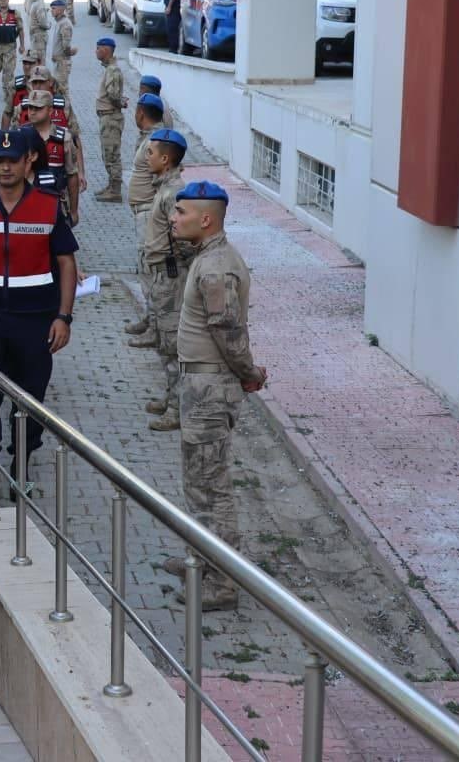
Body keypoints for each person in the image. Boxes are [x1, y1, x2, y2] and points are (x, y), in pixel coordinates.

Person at [0, 130, 78, 509]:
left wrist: (64, 316)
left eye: (12, 159)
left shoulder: (46, 206)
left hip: (35, 320)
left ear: (29, 161)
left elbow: (66, 262)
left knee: (29, 401)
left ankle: (21, 466)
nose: (5, 166)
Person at [165, 180, 266, 612]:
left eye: (181, 212)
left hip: (210, 388)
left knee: (213, 488)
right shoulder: (207, 257)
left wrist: (250, 374)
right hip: (199, 384)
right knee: (197, 483)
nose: (173, 219)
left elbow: (229, 333)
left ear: (205, 219)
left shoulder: (216, 267)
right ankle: (203, 561)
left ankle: (223, 583)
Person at [139, 130, 191, 431]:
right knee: (163, 342)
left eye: (150, 153)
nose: (146, 158)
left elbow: (183, 238)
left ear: (165, 159)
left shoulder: (173, 193)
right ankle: (170, 397)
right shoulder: (163, 187)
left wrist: (178, 270)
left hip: (171, 277)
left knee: (173, 346)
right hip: (161, 275)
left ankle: (178, 408)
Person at [126, 93, 169, 348]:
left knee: (149, 269)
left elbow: (162, 177)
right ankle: (149, 318)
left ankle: (155, 327)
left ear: (140, 113)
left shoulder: (156, 141)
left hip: (149, 213)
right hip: (143, 212)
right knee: (144, 267)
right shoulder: (152, 138)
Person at [22, 88, 81, 227]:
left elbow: (72, 175)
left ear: (49, 110)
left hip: (55, 202)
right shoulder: (20, 135)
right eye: (30, 107)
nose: (32, 111)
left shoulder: (64, 138)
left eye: (38, 108)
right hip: (25, 201)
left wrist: (73, 211)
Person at [93, 37, 127, 202]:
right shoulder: (110, 69)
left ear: (106, 50)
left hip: (110, 117)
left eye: (98, 48)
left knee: (111, 154)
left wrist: (121, 102)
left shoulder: (113, 70)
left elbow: (113, 95)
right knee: (108, 153)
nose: (96, 51)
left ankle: (115, 190)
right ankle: (111, 185)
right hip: (107, 117)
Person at [50, 0, 78, 95]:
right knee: (58, 90)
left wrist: (72, 51)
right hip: (58, 62)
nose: (51, 11)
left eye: (54, 8)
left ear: (61, 9)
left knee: (62, 91)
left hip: (62, 63)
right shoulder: (59, 22)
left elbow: (66, 47)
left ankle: (66, 110)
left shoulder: (65, 24)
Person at [25, 0, 50, 65]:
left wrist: (49, 25)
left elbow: (43, 23)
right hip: (36, 37)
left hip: (39, 38)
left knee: (39, 61)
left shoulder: (39, 4)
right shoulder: (36, 3)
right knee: (36, 60)